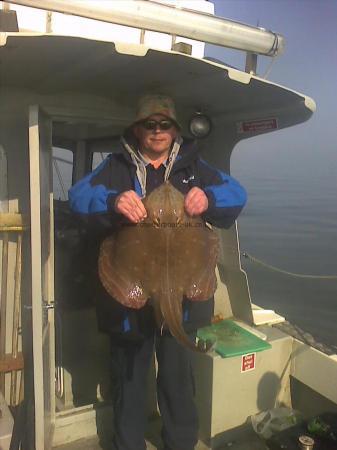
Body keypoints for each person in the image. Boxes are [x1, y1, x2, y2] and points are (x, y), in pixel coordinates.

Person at [68, 95, 247, 450]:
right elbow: (77, 196)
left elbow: (237, 194)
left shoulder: (195, 167)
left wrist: (208, 199)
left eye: (165, 124)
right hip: (129, 302)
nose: (157, 131)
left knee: (178, 381)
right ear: (138, 129)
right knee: (130, 381)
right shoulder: (116, 167)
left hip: (183, 299)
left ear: (175, 129)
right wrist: (112, 201)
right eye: (150, 124)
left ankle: (180, 443)